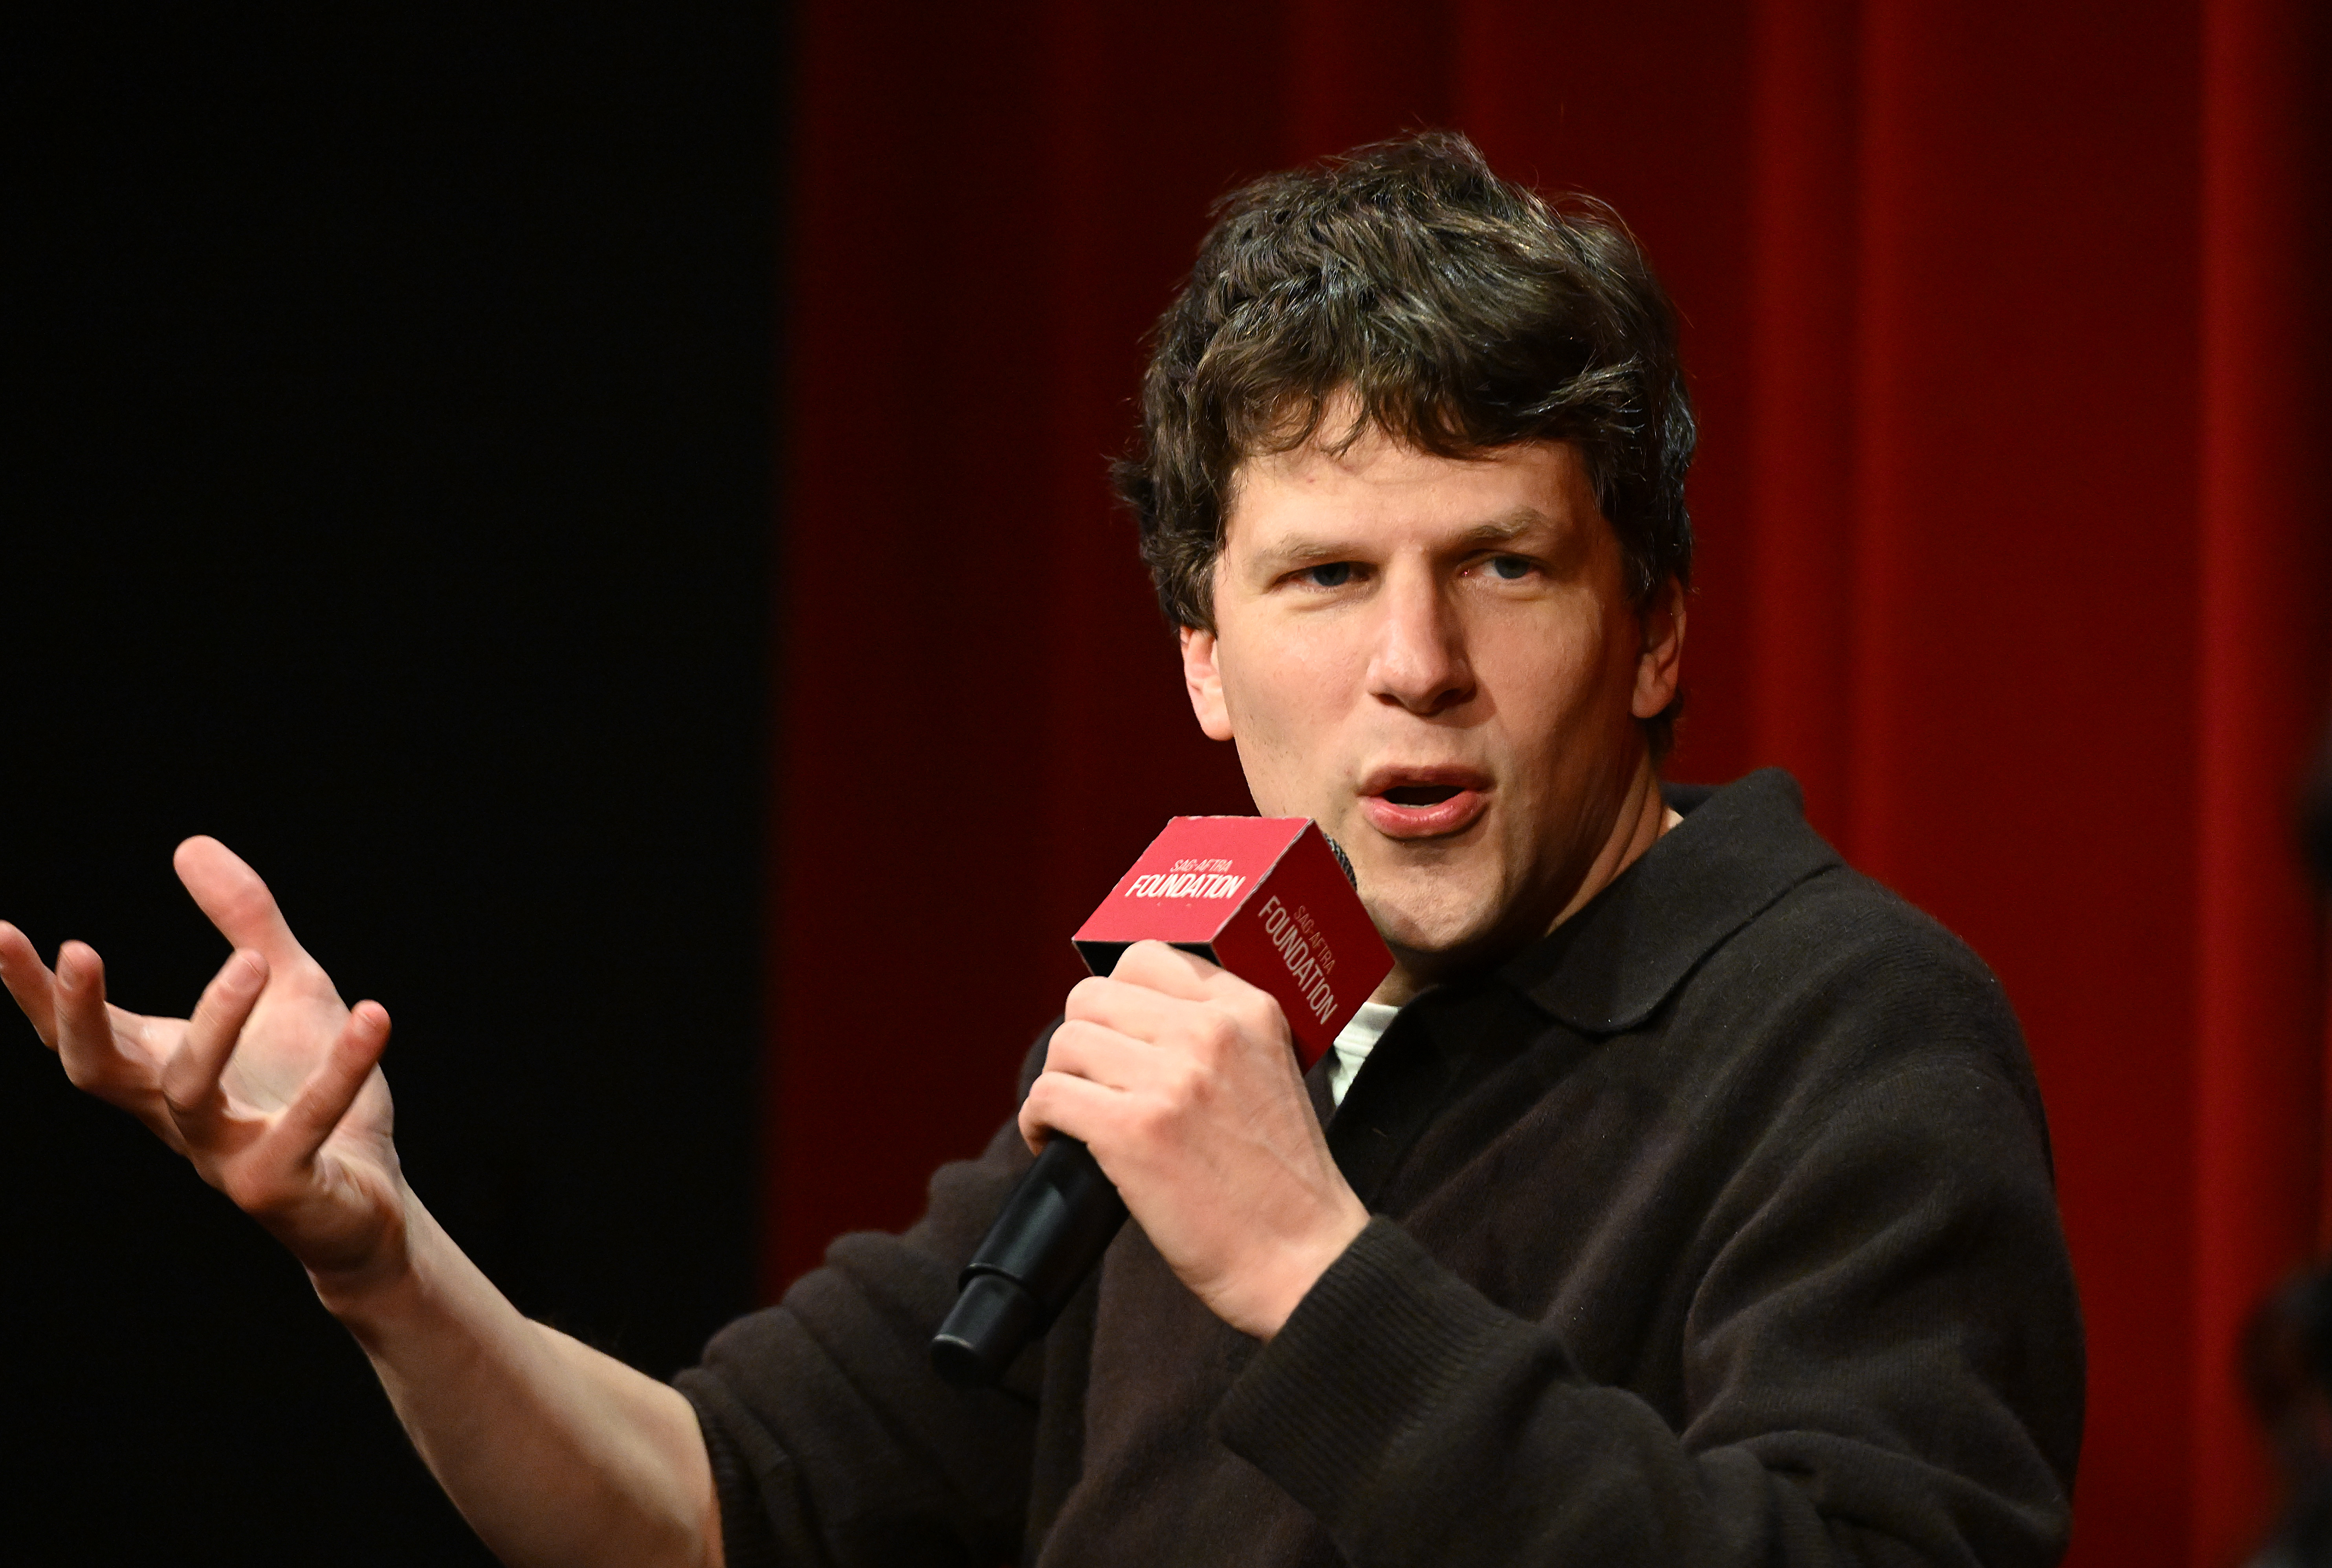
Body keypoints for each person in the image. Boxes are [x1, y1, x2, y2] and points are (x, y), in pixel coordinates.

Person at [0, 133, 2082, 1566]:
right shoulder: (1215, 1010)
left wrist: (1303, 1268)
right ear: (1201, 655)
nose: (1415, 666)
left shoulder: (1853, 1028)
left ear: (1657, 630)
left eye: (1508, 566)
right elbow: (713, 1503)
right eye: (1327, 576)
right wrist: (387, 1270)